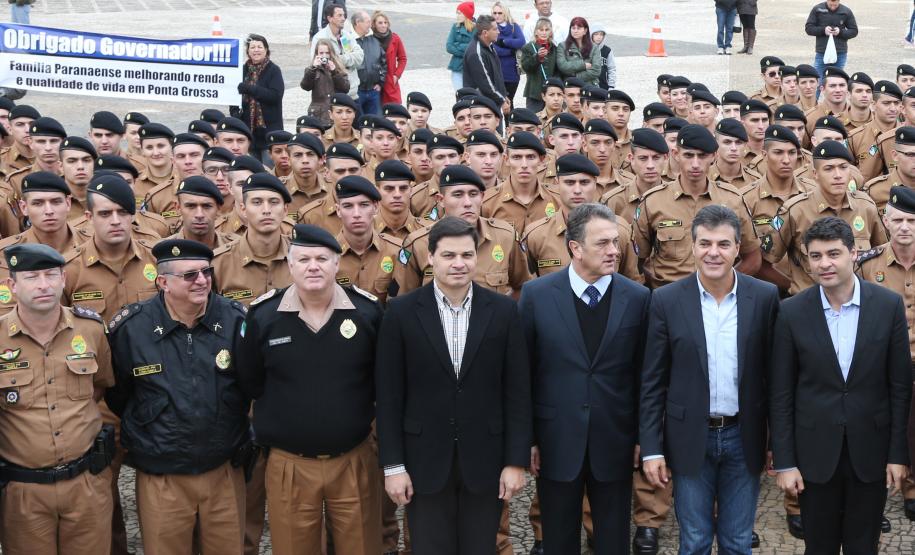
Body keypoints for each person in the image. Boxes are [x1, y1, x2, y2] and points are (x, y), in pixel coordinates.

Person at [377, 216, 531, 555]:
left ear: (478, 256)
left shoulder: (504, 312)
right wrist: (393, 466)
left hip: (485, 459)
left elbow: (517, 392)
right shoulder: (401, 313)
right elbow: (389, 396)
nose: (459, 264)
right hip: (423, 460)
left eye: (466, 255)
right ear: (430, 257)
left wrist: (515, 461)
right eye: (448, 255)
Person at [641, 204, 779, 554]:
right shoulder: (666, 300)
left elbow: (775, 378)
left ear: (737, 248)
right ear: (693, 246)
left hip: (742, 436)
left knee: (736, 541)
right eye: (705, 244)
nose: (713, 253)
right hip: (689, 438)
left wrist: (777, 441)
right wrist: (653, 448)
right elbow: (653, 381)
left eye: (722, 244)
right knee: (695, 541)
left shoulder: (764, 298)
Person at [770, 216, 910, 554]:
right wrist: (785, 462)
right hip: (814, 454)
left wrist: (897, 455)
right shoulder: (791, 312)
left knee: (864, 546)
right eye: (815, 256)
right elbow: (781, 393)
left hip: (870, 451)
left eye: (833, 254)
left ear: (854, 253)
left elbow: (899, 386)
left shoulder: (888, 305)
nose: (825, 264)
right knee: (819, 546)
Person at [518, 202, 648, 554]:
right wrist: (527, 439)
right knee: (557, 540)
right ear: (575, 248)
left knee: (613, 540)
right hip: (555, 440)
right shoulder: (537, 296)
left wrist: (643, 438)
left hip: (615, 439)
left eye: (615, 242)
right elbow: (523, 375)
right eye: (602, 243)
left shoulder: (637, 298)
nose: (614, 251)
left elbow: (644, 376)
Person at [0, 243, 115, 555]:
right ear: (12, 285)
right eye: (31, 277)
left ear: (64, 278)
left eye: (51, 275)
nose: (43, 285)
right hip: (24, 492)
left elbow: (101, 387)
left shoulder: (90, 329)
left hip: (86, 485)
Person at [235, 34, 284, 165]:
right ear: (248, 51)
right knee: (253, 169)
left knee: (269, 169)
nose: (256, 50)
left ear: (266, 50)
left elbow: (275, 96)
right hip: (249, 131)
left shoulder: (273, 70)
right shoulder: (242, 70)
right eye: (253, 47)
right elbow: (234, 95)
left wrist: (251, 89)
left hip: (269, 130)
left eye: (259, 47)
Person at [310, 2, 364, 101]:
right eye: (339, 15)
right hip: (331, 95)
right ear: (330, 18)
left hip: (352, 93)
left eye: (344, 15)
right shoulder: (320, 38)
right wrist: (346, 59)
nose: (343, 18)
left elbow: (360, 57)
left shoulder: (347, 36)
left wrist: (339, 59)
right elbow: (317, 63)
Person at [463, 16, 510, 115]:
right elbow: (485, 83)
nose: (498, 32)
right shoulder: (476, 52)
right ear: (485, 33)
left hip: (492, 101)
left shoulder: (489, 46)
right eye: (495, 29)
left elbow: (497, 75)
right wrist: (501, 100)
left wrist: (504, 94)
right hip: (482, 106)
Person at [301, 42, 350, 126]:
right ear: (316, 54)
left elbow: (345, 88)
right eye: (321, 53)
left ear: (331, 54)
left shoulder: (338, 68)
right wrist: (313, 69)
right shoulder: (312, 70)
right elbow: (305, 86)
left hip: (335, 112)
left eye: (327, 53)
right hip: (318, 114)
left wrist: (334, 72)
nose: (324, 56)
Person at [805, 0, 858, 76]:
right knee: (819, 79)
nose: (833, 7)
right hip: (822, 52)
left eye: (835, 5)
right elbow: (808, 28)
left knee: (837, 80)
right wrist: (823, 30)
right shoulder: (817, 9)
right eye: (830, 5)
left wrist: (840, 32)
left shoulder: (846, 11)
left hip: (840, 52)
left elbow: (854, 31)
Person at [352, 10, 387, 116]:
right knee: (359, 125)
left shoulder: (374, 40)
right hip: (357, 92)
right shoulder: (347, 40)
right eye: (368, 22)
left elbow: (383, 62)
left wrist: (381, 82)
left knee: (376, 125)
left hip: (373, 91)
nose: (370, 25)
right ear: (358, 23)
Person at [520, 19, 557, 113]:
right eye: (541, 30)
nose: (544, 32)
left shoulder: (554, 48)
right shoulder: (528, 47)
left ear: (551, 32)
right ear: (536, 31)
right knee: (534, 121)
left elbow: (557, 70)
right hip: (534, 93)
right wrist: (537, 57)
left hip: (551, 92)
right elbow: (525, 67)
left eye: (547, 30)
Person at [491, 2, 525, 106]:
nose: (497, 15)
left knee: (509, 102)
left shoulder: (514, 26)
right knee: (496, 103)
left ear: (505, 13)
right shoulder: (491, 27)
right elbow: (493, 48)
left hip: (512, 73)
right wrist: (510, 50)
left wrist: (504, 42)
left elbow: (521, 41)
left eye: (500, 13)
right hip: (496, 71)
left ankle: (510, 122)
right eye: (495, 13)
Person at [372, 12, 406, 105]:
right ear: (374, 24)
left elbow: (402, 58)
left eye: (385, 22)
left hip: (390, 81)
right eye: (380, 23)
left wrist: (396, 75)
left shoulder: (395, 38)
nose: (383, 25)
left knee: (394, 111)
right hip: (374, 82)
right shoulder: (370, 39)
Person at [556, 17, 601, 86]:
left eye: (578, 28)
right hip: (571, 87)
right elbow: (563, 66)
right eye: (573, 28)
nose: (575, 31)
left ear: (585, 31)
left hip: (590, 86)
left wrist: (575, 77)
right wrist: (583, 65)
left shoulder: (594, 47)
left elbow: (596, 70)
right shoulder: (562, 46)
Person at [446, 2, 476, 91]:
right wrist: (466, 49)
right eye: (457, 13)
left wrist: (458, 44)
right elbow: (449, 46)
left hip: (472, 67)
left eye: (459, 13)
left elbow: (475, 47)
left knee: (472, 96)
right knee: (460, 96)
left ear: (466, 14)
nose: (457, 16)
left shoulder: (477, 28)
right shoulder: (455, 27)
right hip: (457, 67)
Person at [591, 25, 616, 90]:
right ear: (591, 35)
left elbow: (612, 69)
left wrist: (611, 86)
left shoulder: (607, 50)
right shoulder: (586, 49)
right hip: (589, 86)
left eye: (601, 34)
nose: (599, 37)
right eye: (596, 34)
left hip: (604, 86)